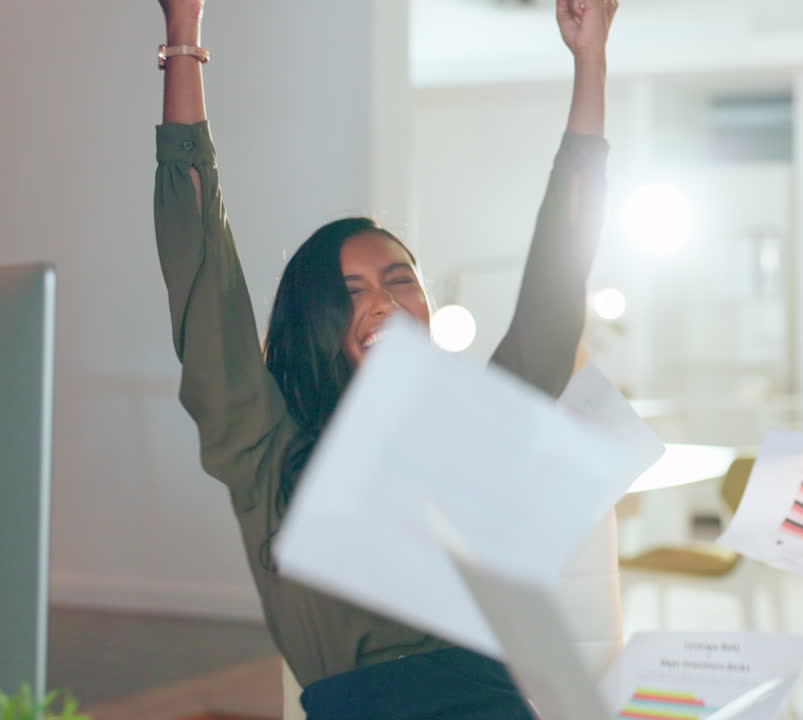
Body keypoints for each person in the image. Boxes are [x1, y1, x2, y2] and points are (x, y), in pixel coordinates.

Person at [152, 0, 617, 716]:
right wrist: (184, 37)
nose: (382, 302)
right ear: (317, 324)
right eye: (351, 292)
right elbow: (200, 273)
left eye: (400, 280)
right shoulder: (267, 450)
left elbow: (557, 283)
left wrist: (590, 61)